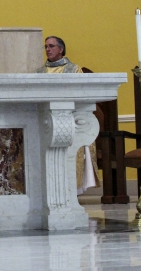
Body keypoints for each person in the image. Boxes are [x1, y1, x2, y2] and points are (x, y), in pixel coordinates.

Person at [36, 36, 99, 194]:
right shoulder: (39, 72)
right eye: (46, 47)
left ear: (61, 49)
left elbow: (80, 95)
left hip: (71, 119)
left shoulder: (73, 69)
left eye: (51, 46)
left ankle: (72, 190)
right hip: (46, 121)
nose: (48, 49)